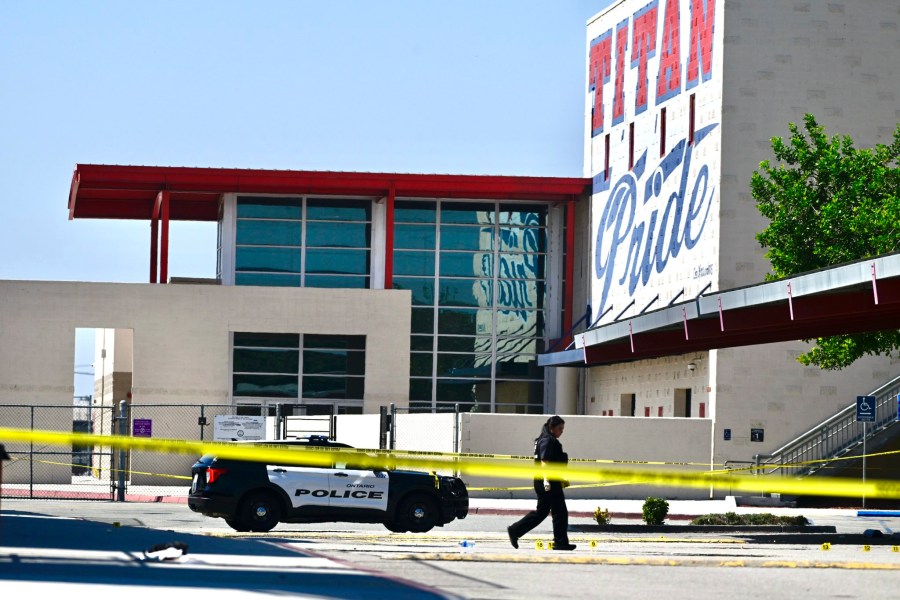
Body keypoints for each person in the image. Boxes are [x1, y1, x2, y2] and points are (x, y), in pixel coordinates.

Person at [507, 415, 576, 551]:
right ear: (551, 428)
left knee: (543, 512)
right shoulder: (547, 441)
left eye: (563, 428)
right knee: (560, 511)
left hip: (547, 479)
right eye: (560, 428)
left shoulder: (545, 439)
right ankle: (560, 542)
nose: (562, 431)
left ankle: (515, 530)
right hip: (547, 480)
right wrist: (546, 480)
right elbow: (544, 462)